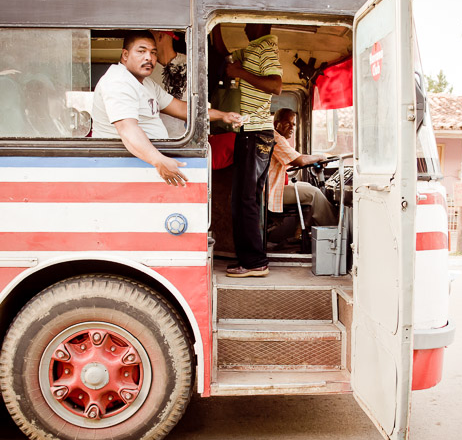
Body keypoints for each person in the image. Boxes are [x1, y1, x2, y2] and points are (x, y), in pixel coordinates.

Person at [91, 30, 240, 186]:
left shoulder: (145, 83)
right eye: (141, 51)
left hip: (142, 167)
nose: (149, 57)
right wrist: (158, 160)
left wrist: (223, 115)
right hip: (122, 172)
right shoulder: (119, 82)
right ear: (125, 55)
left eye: (153, 52)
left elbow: (182, 109)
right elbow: (127, 130)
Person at [213, 24, 283, 278]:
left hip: (255, 133)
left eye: (248, 22)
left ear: (259, 24)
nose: (243, 26)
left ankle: (254, 262)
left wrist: (240, 72)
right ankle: (251, 259)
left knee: (245, 200)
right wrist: (214, 25)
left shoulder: (266, 47)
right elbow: (225, 56)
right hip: (249, 133)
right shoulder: (251, 49)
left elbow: (276, 85)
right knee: (244, 199)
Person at [269, 108, 337, 227]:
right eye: (287, 123)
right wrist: (320, 157)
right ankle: (333, 230)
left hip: (276, 185)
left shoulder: (278, 138)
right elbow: (299, 160)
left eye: (293, 124)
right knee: (314, 193)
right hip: (271, 190)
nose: (291, 127)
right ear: (276, 124)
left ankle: (301, 232)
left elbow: (298, 158)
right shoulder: (276, 139)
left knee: (308, 186)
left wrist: (315, 158)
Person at [149, 30, 187, 138]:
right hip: (152, 139)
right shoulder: (145, 68)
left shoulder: (190, 64)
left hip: (183, 140)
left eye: (149, 36)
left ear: (160, 36)